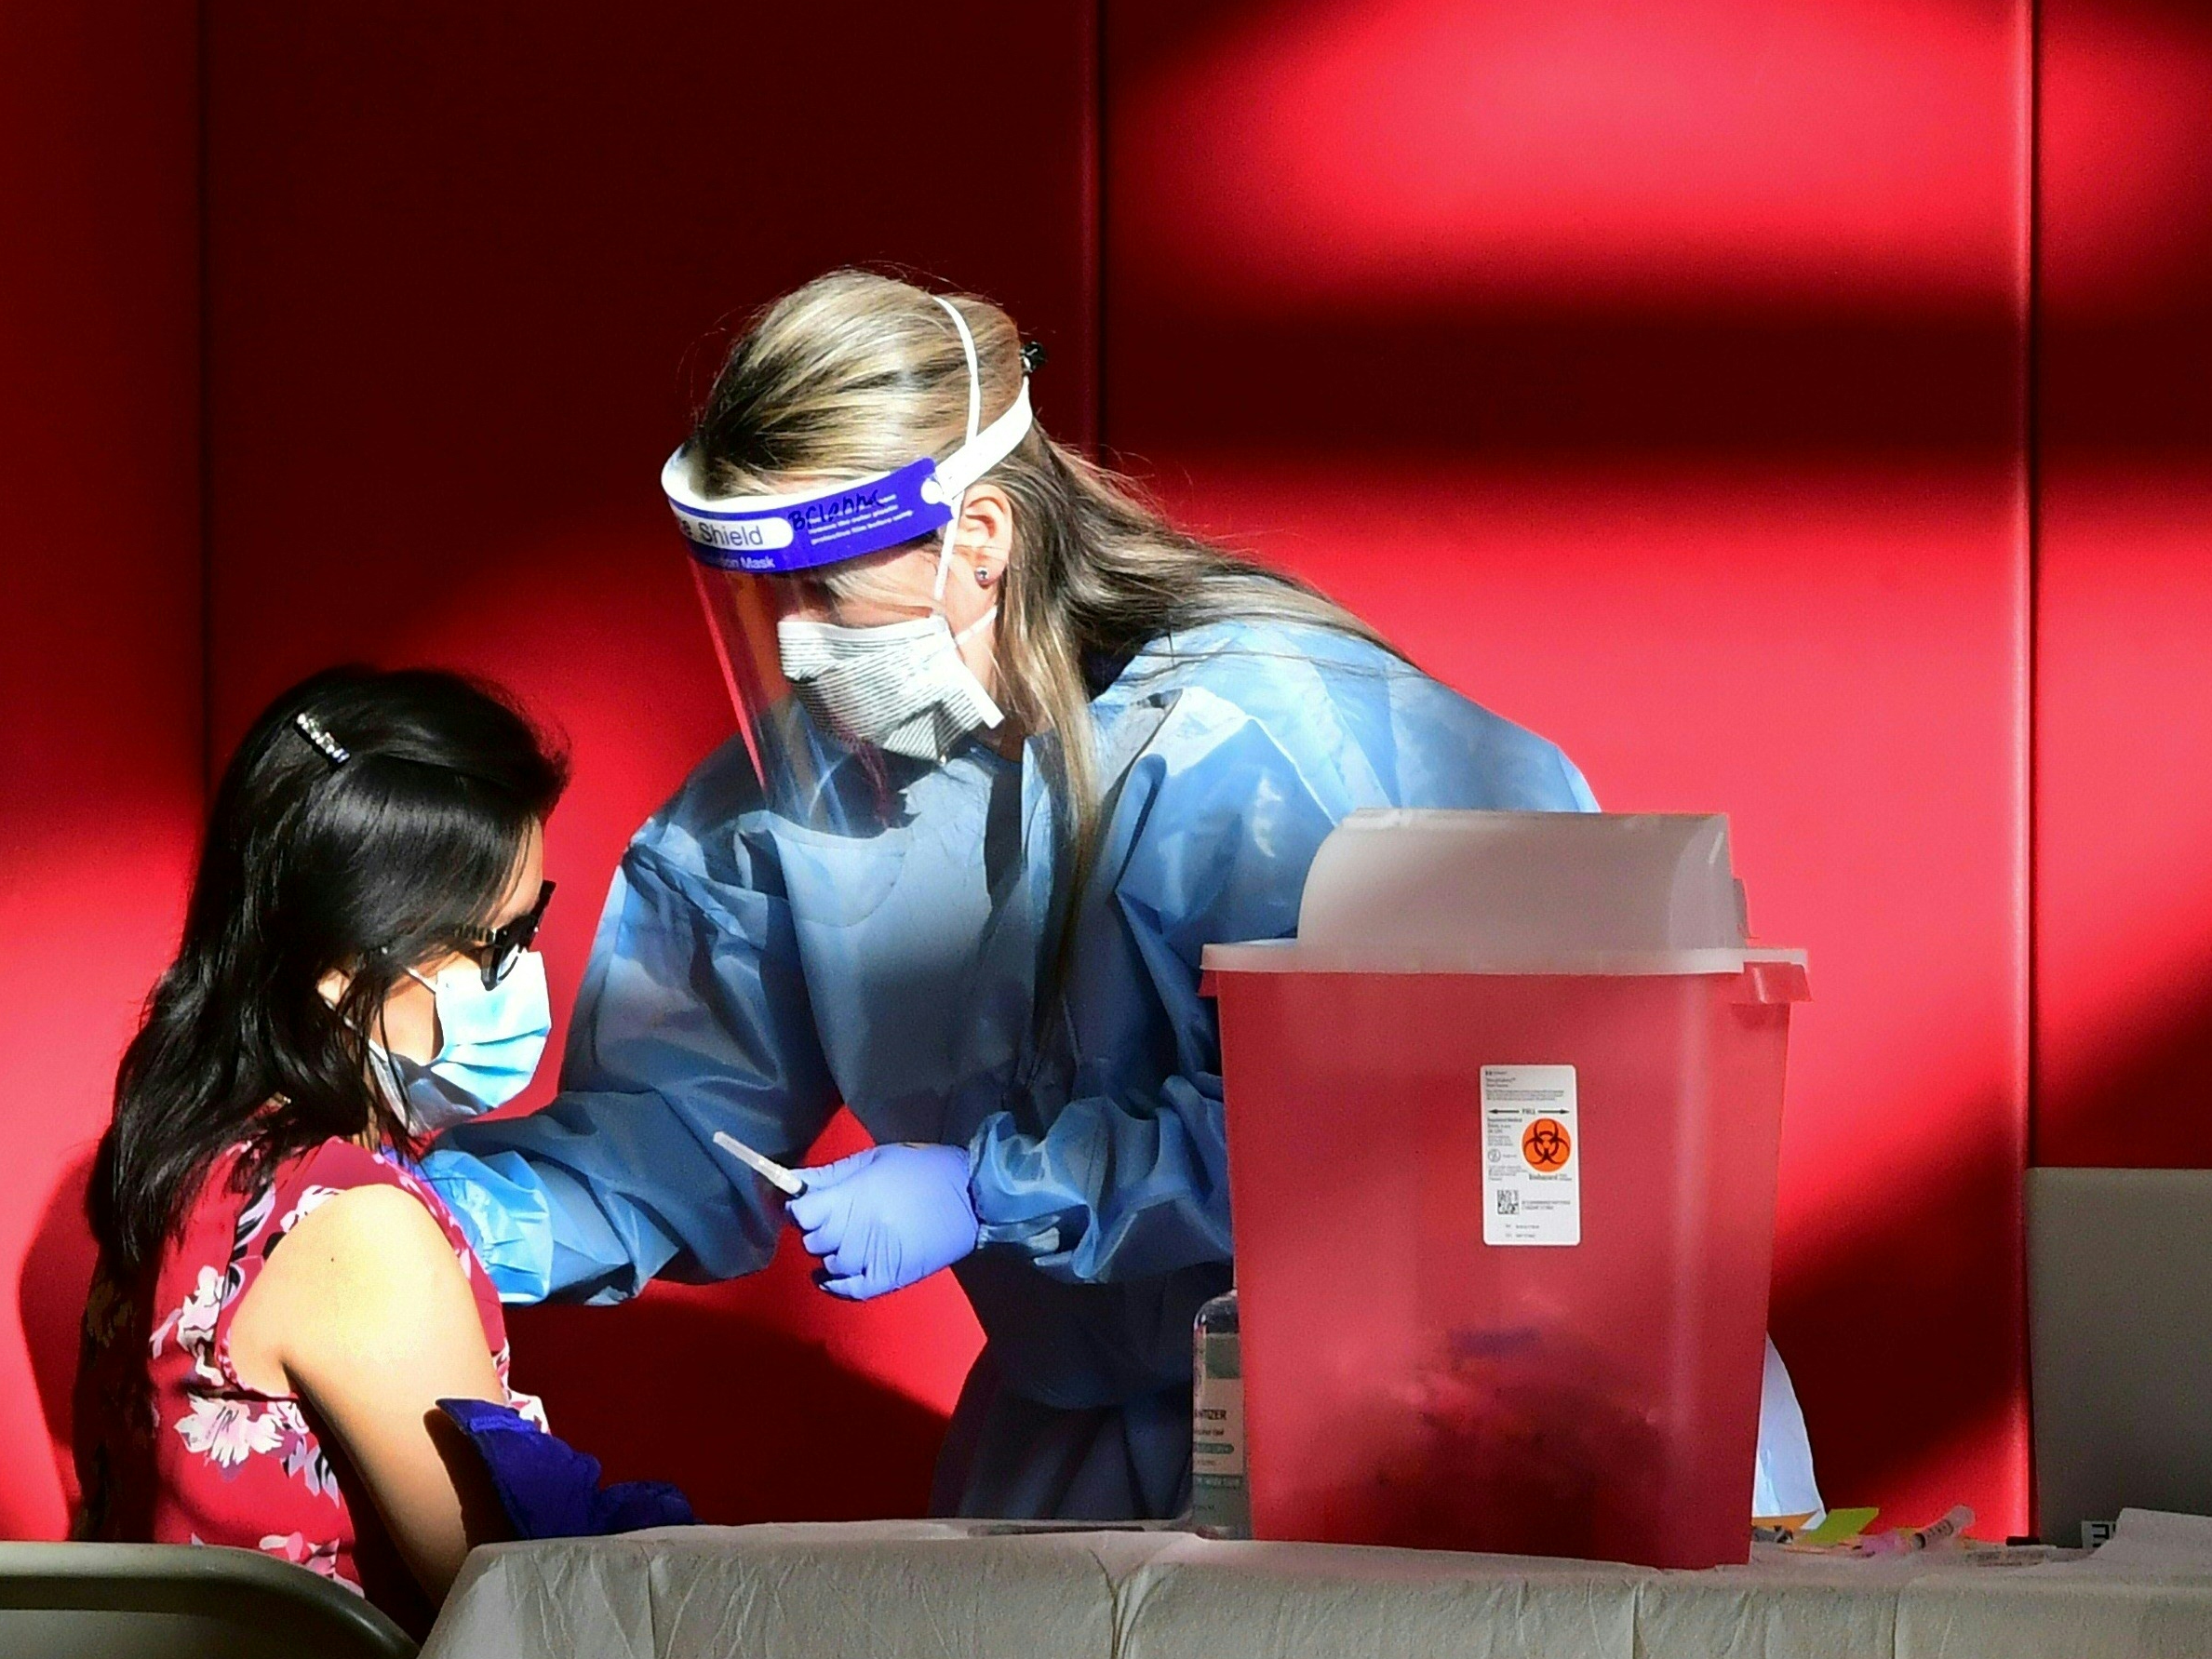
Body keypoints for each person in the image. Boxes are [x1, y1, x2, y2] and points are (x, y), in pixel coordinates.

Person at [428, 270, 1818, 1522]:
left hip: (1475, 1417)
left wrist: (993, 1186)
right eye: (754, 598)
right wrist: (394, 1210)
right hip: (1101, 1435)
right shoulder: (783, 818)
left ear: (977, 538)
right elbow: (670, 1133)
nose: (788, 647)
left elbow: (1415, 1121)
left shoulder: (1260, 745)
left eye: (819, 591)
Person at [74, 665, 569, 1626]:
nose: (526, 980)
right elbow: (517, 1611)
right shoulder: (355, 1226)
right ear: (345, 961)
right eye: (495, 945)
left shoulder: (185, 1158)